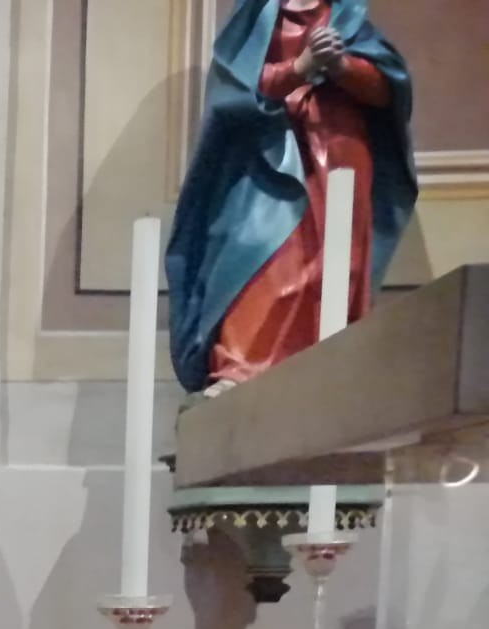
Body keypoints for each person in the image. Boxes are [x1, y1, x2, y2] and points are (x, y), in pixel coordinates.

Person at [165, 0, 415, 396]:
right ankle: (240, 367)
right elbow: (234, 92)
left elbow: (388, 91)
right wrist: (299, 68)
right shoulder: (255, 17)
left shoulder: (348, 19)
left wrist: (341, 67)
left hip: (337, 154)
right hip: (266, 157)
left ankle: (323, 377)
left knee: (332, 265)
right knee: (255, 254)